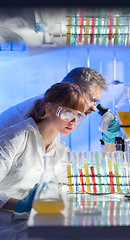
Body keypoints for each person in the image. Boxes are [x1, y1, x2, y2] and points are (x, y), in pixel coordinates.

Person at [0, 82, 85, 213]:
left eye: (78, 115)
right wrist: (20, 206)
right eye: (68, 113)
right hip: (6, 224)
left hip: (36, 220)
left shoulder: (62, 151)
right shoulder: (15, 137)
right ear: (49, 109)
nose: (74, 121)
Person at [0, 67, 120, 149]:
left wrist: (109, 142)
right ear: (75, 90)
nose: (94, 108)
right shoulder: (34, 119)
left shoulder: (55, 115)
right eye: (93, 100)